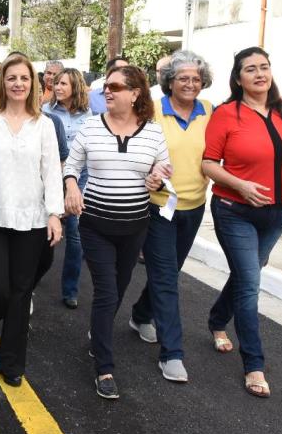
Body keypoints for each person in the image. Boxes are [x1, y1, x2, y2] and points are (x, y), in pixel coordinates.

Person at [202, 47, 282, 398]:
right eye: (250, 69)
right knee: (250, 284)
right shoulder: (226, 114)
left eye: (264, 67)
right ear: (238, 78)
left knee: (244, 275)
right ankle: (254, 364)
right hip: (235, 210)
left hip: (278, 212)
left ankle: (217, 320)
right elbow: (208, 163)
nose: (259, 74)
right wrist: (241, 185)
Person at [63, 65, 171, 400]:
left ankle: (99, 334)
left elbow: (163, 173)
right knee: (107, 292)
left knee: (120, 288)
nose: (107, 91)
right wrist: (71, 187)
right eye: (106, 86)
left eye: (116, 87)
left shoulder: (153, 133)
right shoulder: (92, 126)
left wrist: (157, 179)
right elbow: (72, 165)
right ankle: (104, 367)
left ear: (135, 93)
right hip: (95, 224)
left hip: (134, 227)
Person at [0, 53, 64, 386]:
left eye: (24, 78)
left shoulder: (44, 125)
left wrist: (54, 213)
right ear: (1, 83)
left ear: (33, 84)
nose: (18, 83)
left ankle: (11, 361)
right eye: (12, 78)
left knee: (21, 292)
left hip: (31, 218)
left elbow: (51, 171)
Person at [127, 50, 214, 383]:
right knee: (166, 277)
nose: (190, 84)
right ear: (169, 81)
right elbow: (135, 149)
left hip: (194, 206)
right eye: (183, 78)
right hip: (158, 206)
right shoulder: (151, 112)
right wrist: (149, 172)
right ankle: (172, 353)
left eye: (196, 78)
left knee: (169, 270)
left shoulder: (210, 110)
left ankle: (140, 314)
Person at [42, 68, 93, 309]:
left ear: (76, 87)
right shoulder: (46, 111)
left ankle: (70, 290)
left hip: (79, 179)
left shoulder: (89, 116)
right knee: (42, 232)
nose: (58, 87)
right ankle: (32, 274)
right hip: (50, 177)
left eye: (64, 83)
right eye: (57, 83)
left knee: (76, 235)